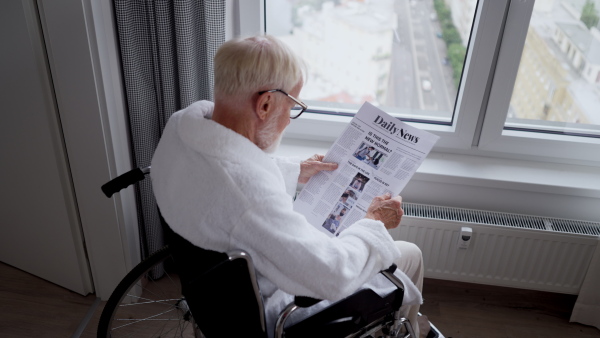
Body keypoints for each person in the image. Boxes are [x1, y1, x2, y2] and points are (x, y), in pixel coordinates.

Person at [151, 34, 427, 337]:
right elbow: (331, 274)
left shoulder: (182, 125)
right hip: (273, 310)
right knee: (409, 253)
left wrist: (296, 171)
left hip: (209, 292)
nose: (289, 120)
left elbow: (227, 165)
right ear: (266, 104)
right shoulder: (247, 195)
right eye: (293, 105)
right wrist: (373, 223)